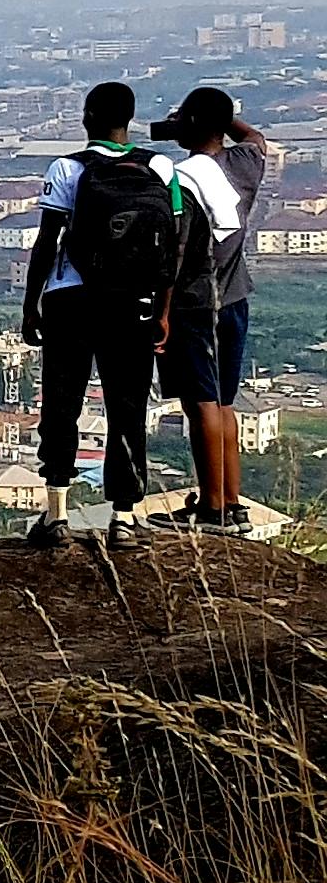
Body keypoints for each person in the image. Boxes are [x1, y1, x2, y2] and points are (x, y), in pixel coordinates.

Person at [22, 81, 211, 546]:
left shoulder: (68, 167)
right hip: (132, 302)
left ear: (87, 117)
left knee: (62, 403)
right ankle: (123, 517)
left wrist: (32, 305)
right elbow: (173, 244)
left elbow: (47, 242)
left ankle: (56, 514)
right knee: (127, 406)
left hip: (70, 299)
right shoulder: (160, 166)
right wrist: (163, 308)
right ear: (129, 119)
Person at [149, 84, 277, 532]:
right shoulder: (244, 166)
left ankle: (211, 508)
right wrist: (221, 119)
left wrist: (162, 313)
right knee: (223, 402)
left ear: (192, 123)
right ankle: (230, 502)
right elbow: (255, 138)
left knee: (200, 402)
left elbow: (176, 255)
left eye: (182, 116)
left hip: (195, 304)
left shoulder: (182, 181)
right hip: (235, 297)